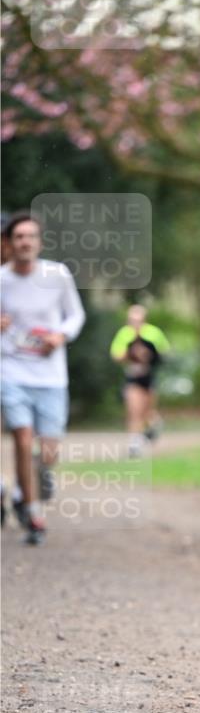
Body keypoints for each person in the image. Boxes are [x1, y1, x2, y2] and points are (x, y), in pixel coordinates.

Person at [0, 211, 85, 544]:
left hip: (50, 375)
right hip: (11, 370)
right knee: (22, 437)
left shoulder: (57, 275)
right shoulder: (1, 279)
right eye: (19, 237)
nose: (25, 242)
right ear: (10, 243)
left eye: (30, 236)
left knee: (48, 451)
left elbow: (76, 315)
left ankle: (25, 489)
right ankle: (34, 513)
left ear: (40, 242)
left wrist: (59, 336)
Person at [110, 305, 170, 457]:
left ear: (144, 320)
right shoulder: (124, 334)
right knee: (134, 411)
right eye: (132, 320)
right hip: (133, 378)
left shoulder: (153, 333)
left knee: (148, 413)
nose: (135, 324)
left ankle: (154, 426)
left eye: (138, 320)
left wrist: (149, 355)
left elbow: (164, 353)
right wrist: (130, 354)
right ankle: (134, 445)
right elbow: (116, 355)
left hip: (150, 378)